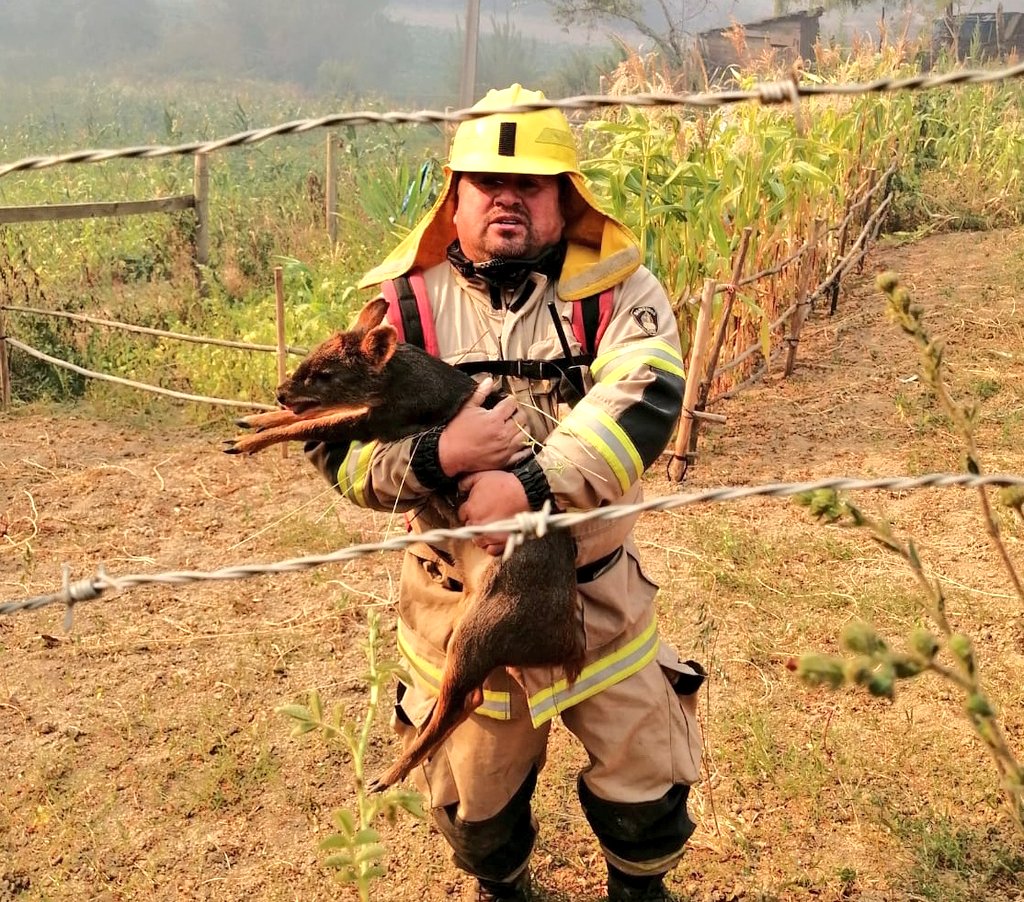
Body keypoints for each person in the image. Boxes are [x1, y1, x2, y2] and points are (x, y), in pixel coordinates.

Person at [306, 84, 704, 902]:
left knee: (649, 789)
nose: (508, 199)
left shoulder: (621, 295)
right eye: (487, 183)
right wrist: (437, 456)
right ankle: (506, 883)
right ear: (454, 199)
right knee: (473, 809)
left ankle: (638, 888)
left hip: (599, 601)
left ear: (567, 198)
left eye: (532, 184)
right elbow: (336, 450)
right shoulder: (401, 311)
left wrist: (527, 484)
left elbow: (646, 396)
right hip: (458, 608)